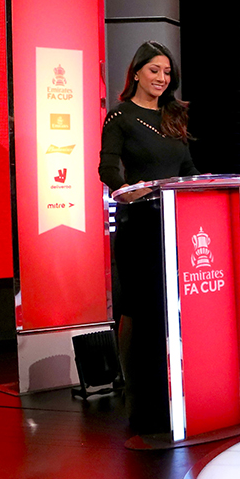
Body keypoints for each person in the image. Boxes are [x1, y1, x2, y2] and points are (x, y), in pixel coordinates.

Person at [99, 41, 200, 434]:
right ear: (137, 72)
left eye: (167, 72)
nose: (162, 78)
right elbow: (107, 167)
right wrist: (127, 190)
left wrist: (202, 188)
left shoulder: (174, 115)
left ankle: (171, 391)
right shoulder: (121, 117)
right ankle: (136, 396)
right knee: (139, 310)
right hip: (138, 226)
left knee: (169, 309)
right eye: (155, 70)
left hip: (174, 225)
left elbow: (187, 168)